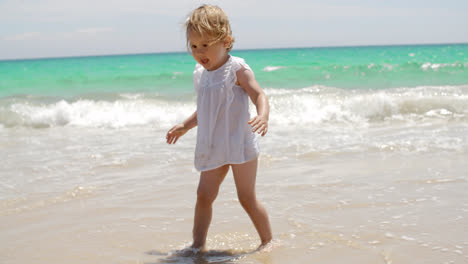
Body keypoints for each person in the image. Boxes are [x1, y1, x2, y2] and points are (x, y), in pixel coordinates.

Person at [166, 4, 272, 251]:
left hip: (240, 144)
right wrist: (185, 125)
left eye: (205, 44)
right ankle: (197, 245)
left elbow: (259, 95)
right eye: (193, 46)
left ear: (226, 41)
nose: (199, 51)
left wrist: (263, 116)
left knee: (246, 198)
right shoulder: (201, 74)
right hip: (213, 145)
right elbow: (206, 110)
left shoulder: (237, 69)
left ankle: (267, 241)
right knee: (203, 196)